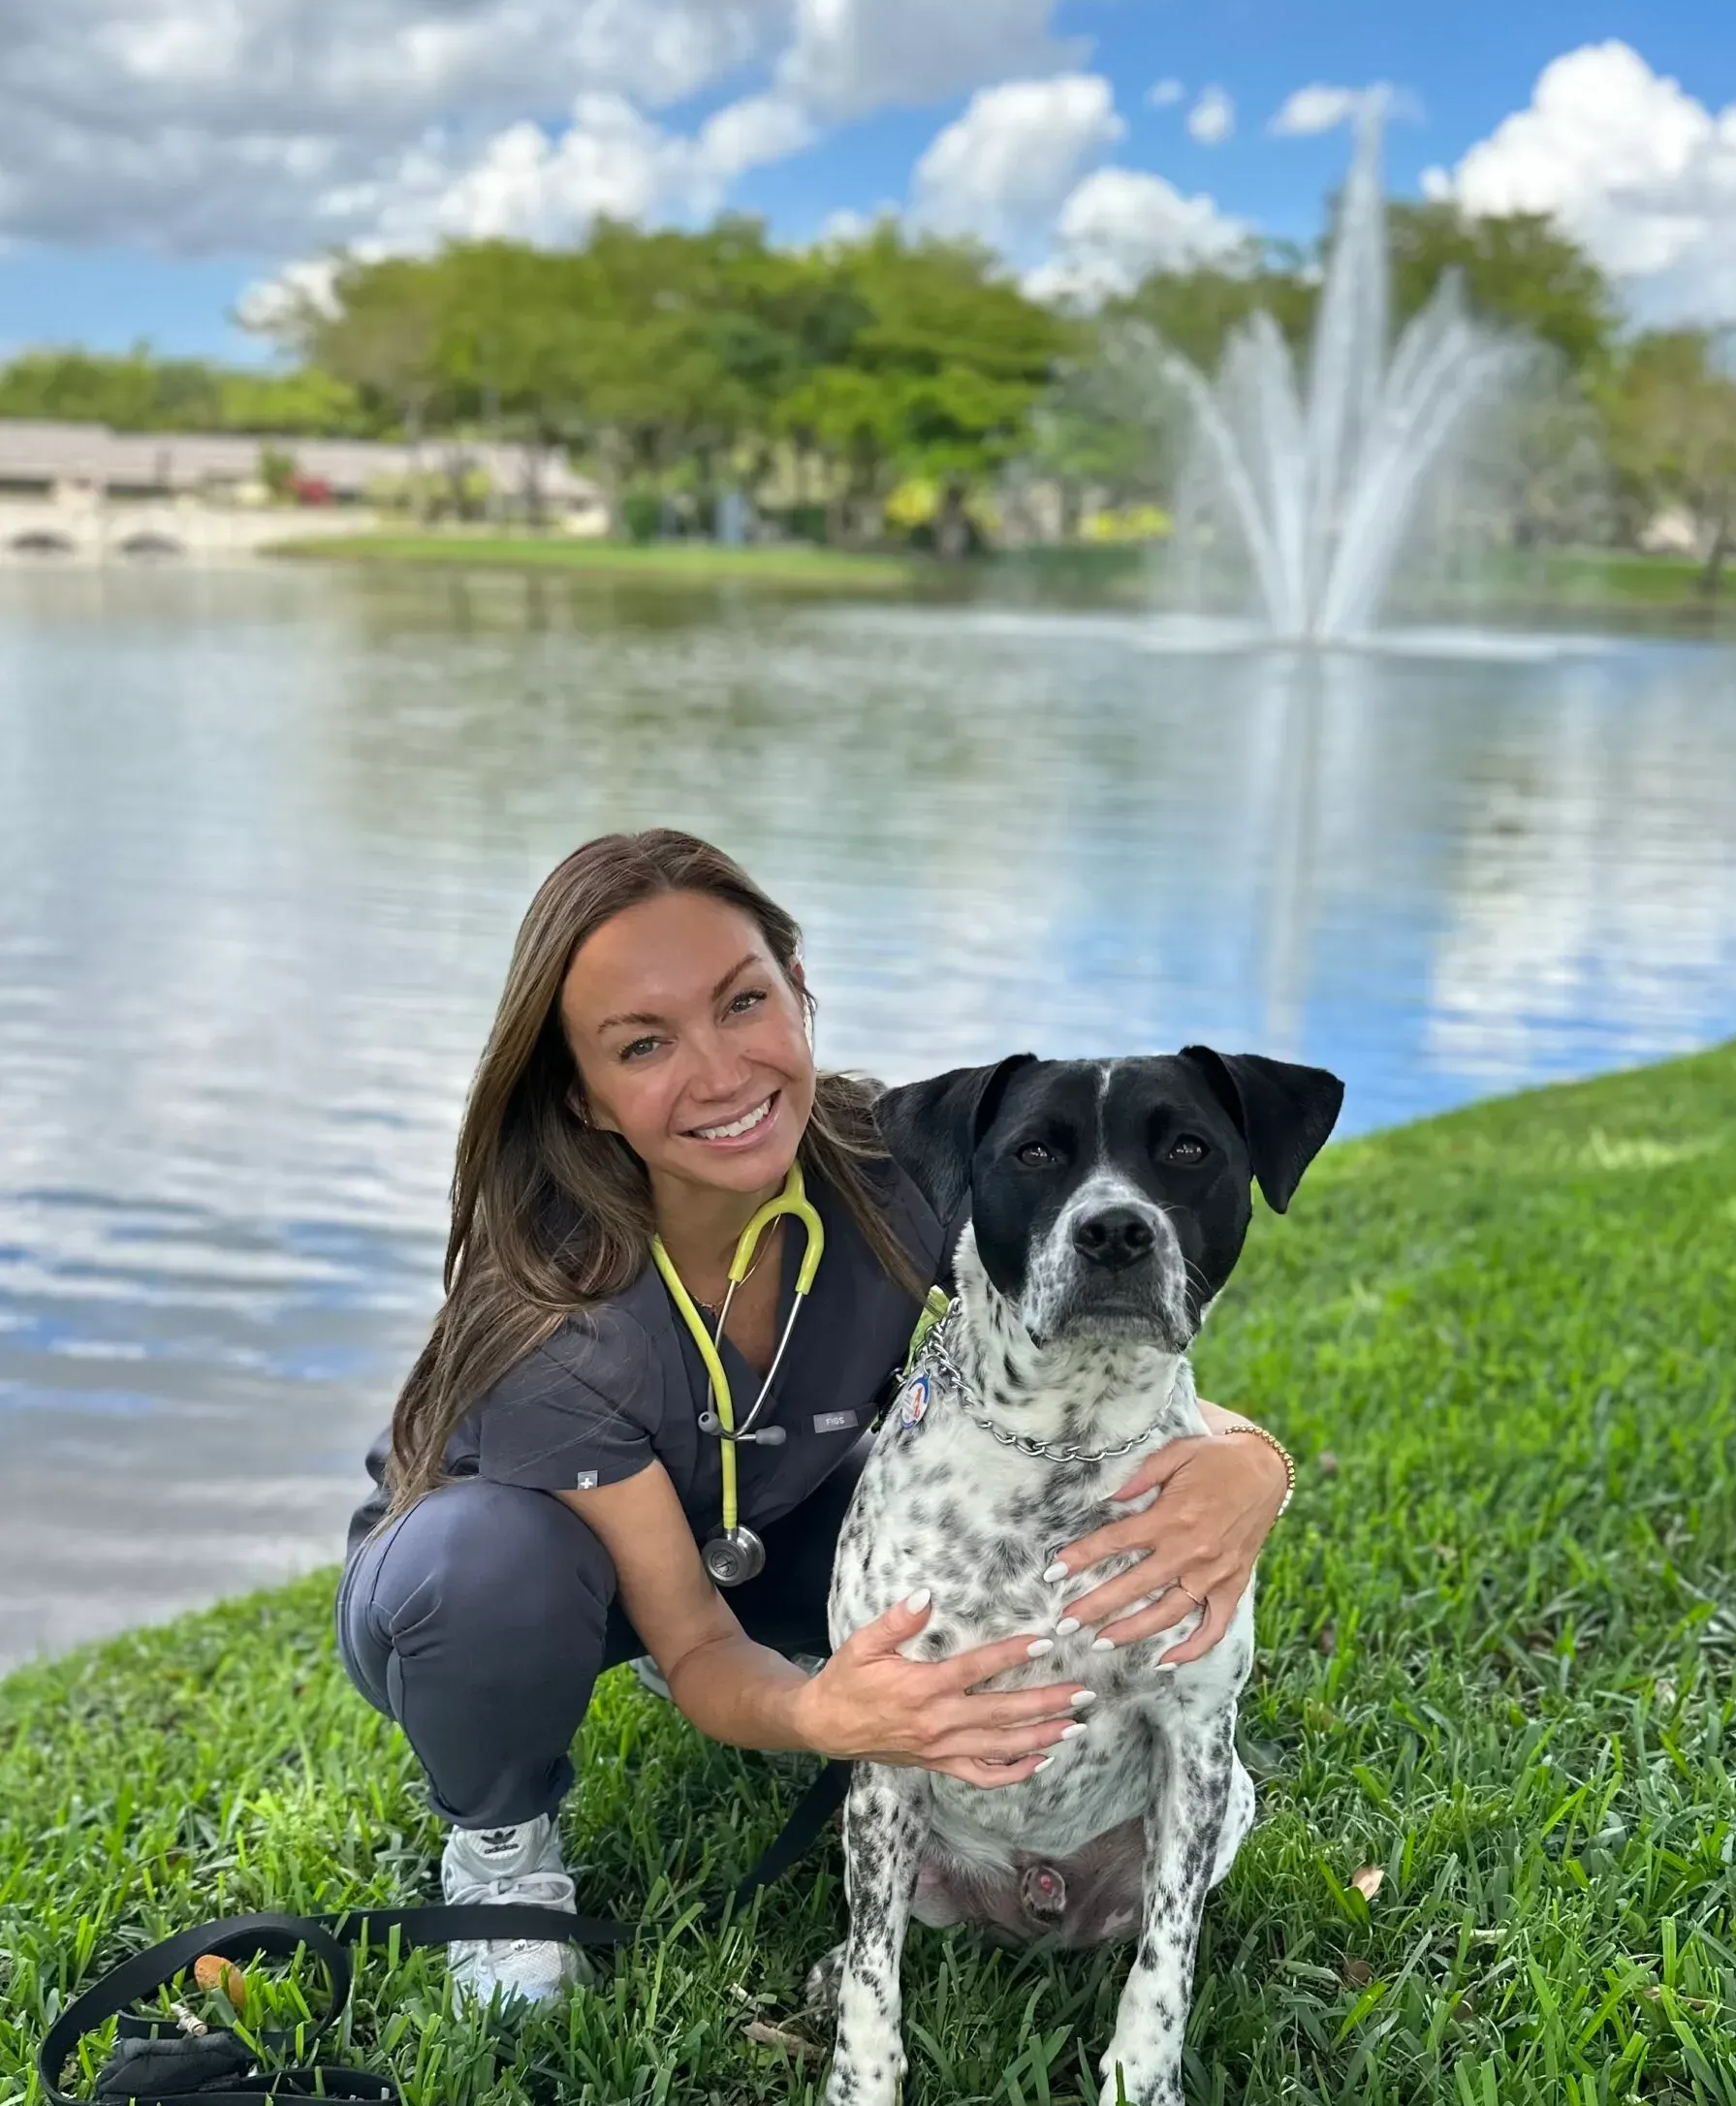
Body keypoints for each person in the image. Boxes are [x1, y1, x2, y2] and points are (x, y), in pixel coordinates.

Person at [336, 831, 1295, 2005]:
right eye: (643, 1044)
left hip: (760, 1525)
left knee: (931, 1502)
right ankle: (502, 1845)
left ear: (799, 987)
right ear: (581, 1094)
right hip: (506, 1592)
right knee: (484, 1566)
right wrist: (817, 1714)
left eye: (742, 1001)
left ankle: (793, 1653)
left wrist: (1249, 1459)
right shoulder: (558, 1307)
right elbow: (696, 1643)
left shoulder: (884, 1164)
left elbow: (1052, 1323)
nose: (720, 1073)